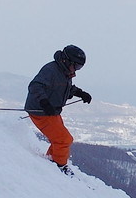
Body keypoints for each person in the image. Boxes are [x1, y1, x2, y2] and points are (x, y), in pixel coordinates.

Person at [25, 45, 92, 175]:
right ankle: (60, 166)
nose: (76, 70)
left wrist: (81, 93)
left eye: (80, 67)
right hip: (41, 111)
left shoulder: (64, 71)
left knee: (62, 139)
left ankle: (52, 161)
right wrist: (44, 103)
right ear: (67, 60)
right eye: (76, 66)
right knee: (64, 139)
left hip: (51, 111)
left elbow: (65, 88)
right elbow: (35, 86)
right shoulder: (51, 70)